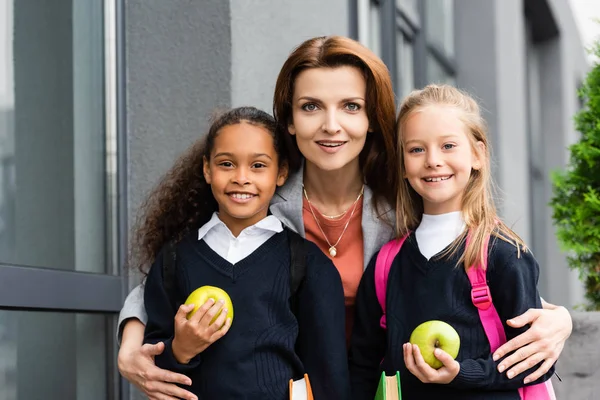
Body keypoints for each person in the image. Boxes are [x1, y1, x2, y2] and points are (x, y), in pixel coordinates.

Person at [116, 36, 572, 400]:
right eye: (311, 106)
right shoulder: (259, 199)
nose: (331, 125)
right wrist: (131, 341)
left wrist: (561, 319)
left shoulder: (408, 205)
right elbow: (179, 271)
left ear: (373, 118)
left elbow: (484, 277)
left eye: (350, 107)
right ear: (290, 120)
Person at [349, 84, 557, 399]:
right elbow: (363, 365)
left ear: (477, 154)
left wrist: (462, 373)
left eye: (448, 146)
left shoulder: (502, 254)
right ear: (403, 165)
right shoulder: (386, 264)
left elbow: (534, 361)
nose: (432, 160)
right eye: (416, 149)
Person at [137, 106, 350, 399]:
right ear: (207, 169)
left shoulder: (308, 265)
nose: (241, 177)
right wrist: (180, 350)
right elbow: (154, 370)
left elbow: (329, 375)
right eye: (226, 164)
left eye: (258, 166)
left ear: (281, 172)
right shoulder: (174, 260)